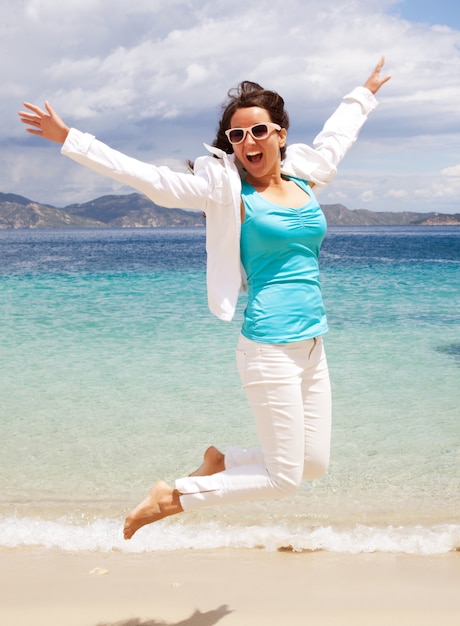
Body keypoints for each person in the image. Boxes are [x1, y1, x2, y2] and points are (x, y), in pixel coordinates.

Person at [19, 58, 390, 540]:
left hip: (313, 347)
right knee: (284, 480)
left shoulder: (304, 178)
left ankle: (223, 461)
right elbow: (150, 179)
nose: (248, 143)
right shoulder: (227, 194)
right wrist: (71, 139)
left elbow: (336, 139)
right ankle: (171, 497)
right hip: (268, 349)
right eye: (237, 137)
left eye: (258, 131)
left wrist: (362, 94)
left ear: (280, 134)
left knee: (312, 464)